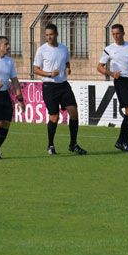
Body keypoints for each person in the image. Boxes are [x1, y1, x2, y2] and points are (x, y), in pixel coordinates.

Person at [33, 24, 87, 156]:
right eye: (46, 35)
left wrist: (68, 69)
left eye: (51, 34)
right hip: (49, 86)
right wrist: (50, 74)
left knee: (73, 112)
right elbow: (35, 69)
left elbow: (66, 62)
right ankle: (50, 145)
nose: (49, 37)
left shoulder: (64, 48)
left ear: (57, 34)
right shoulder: (42, 50)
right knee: (54, 117)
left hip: (63, 85)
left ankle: (73, 144)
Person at [96, 24, 128, 152]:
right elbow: (99, 67)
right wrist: (112, 74)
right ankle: (124, 141)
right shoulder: (109, 49)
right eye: (113, 34)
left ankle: (121, 141)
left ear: (123, 33)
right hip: (120, 81)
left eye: (118, 33)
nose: (116, 36)